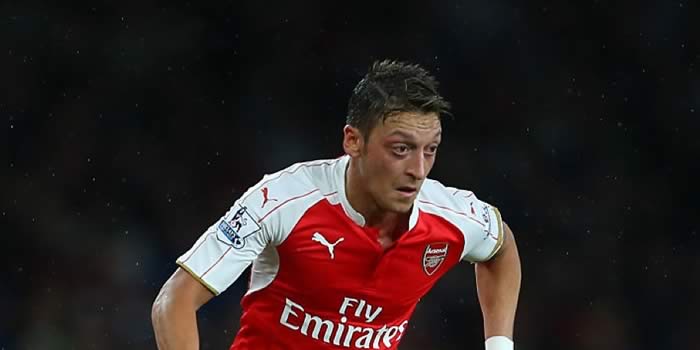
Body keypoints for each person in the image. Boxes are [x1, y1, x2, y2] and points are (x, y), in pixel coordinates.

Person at [151, 60, 522, 350]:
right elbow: (174, 301)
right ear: (353, 141)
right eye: (401, 149)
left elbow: (500, 246)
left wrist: (499, 343)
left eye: (431, 150)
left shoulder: (449, 216)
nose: (418, 170)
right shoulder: (284, 201)